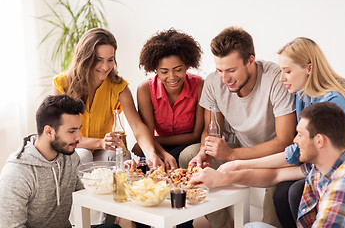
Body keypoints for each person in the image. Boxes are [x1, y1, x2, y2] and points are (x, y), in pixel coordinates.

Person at [218, 37, 345, 227]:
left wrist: (238, 163)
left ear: (309, 68)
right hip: (316, 164)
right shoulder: (302, 94)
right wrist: (236, 167)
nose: (281, 78)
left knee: (291, 192)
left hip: (342, 166)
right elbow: (296, 150)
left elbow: (297, 152)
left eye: (287, 71)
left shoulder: (334, 101)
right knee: (283, 190)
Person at [179, 27, 297, 228]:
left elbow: (284, 142)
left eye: (231, 70)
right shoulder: (214, 82)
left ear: (251, 60)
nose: (225, 79)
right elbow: (212, 130)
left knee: (273, 206)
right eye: (220, 70)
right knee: (189, 157)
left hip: (274, 155)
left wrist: (232, 156)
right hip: (241, 147)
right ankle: (222, 224)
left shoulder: (275, 79)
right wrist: (204, 151)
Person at [191, 102, 345, 227]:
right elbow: (275, 175)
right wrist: (223, 177)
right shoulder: (331, 158)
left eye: (300, 134)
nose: (294, 140)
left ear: (319, 140)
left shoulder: (343, 186)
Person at [0, 94, 121, 228]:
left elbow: (90, 189)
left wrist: (122, 172)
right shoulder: (17, 173)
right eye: (71, 131)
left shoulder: (69, 156)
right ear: (49, 131)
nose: (79, 137)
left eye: (78, 129)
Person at [53, 28, 163, 168]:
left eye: (110, 60)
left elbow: (137, 126)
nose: (105, 67)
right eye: (98, 60)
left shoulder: (118, 86)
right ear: (85, 58)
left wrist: (150, 153)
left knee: (119, 154)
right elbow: (61, 135)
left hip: (101, 149)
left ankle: (114, 189)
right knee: (83, 154)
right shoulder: (62, 84)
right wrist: (99, 142)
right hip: (73, 148)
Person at [133, 28, 204, 171]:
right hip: (158, 147)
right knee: (144, 170)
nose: (171, 77)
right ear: (155, 70)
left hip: (188, 146)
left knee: (173, 167)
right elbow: (147, 134)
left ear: (187, 66)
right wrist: (164, 154)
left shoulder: (200, 86)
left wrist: (152, 140)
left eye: (178, 69)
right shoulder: (145, 89)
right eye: (164, 72)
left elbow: (196, 135)